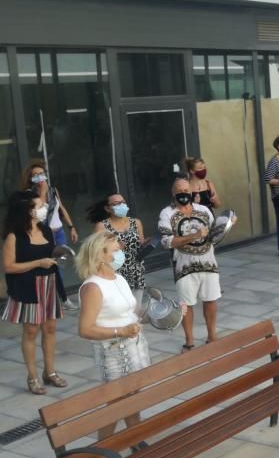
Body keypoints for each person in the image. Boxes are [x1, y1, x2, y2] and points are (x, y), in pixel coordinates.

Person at [75, 231, 149, 442]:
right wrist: (121, 331)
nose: (120, 254)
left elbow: (130, 312)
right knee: (115, 402)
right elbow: (85, 329)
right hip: (113, 352)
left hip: (134, 347)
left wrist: (161, 312)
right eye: (116, 250)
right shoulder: (92, 287)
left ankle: (135, 438)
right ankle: (101, 450)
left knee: (133, 396)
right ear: (100, 255)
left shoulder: (119, 278)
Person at [2, 190, 65, 395]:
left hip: (49, 283)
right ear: (27, 211)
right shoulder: (14, 236)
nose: (44, 209)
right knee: (31, 330)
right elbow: (9, 267)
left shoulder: (46, 230)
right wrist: (39, 262)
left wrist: (60, 256)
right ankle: (33, 376)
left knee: (50, 328)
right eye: (39, 206)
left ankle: (50, 372)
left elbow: (51, 254)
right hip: (28, 287)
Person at [159, 179, 223, 351]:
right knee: (186, 305)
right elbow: (166, 242)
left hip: (208, 263)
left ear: (191, 191)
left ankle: (212, 336)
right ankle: (189, 341)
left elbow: (214, 234)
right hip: (183, 267)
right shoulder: (167, 213)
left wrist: (228, 225)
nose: (183, 193)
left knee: (211, 300)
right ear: (173, 193)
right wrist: (194, 235)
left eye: (186, 189)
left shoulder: (203, 210)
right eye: (179, 190)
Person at [22, 161, 78, 310]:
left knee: (59, 265)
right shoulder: (30, 194)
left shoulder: (53, 190)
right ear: (30, 178)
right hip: (44, 235)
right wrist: (40, 192)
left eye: (41, 174)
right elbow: (36, 215)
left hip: (59, 233)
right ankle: (63, 299)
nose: (39, 177)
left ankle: (57, 297)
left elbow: (62, 208)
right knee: (51, 266)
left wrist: (71, 227)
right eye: (34, 175)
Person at [89, 193, 147, 303]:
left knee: (135, 307)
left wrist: (146, 245)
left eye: (123, 202)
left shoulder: (136, 222)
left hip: (136, 271)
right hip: (114, 272)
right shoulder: (102, 226)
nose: (121, 205)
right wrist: (115, 248)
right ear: (107, 208)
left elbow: (141, 243)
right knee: (120, 306)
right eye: (116, 203)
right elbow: (95, 252)